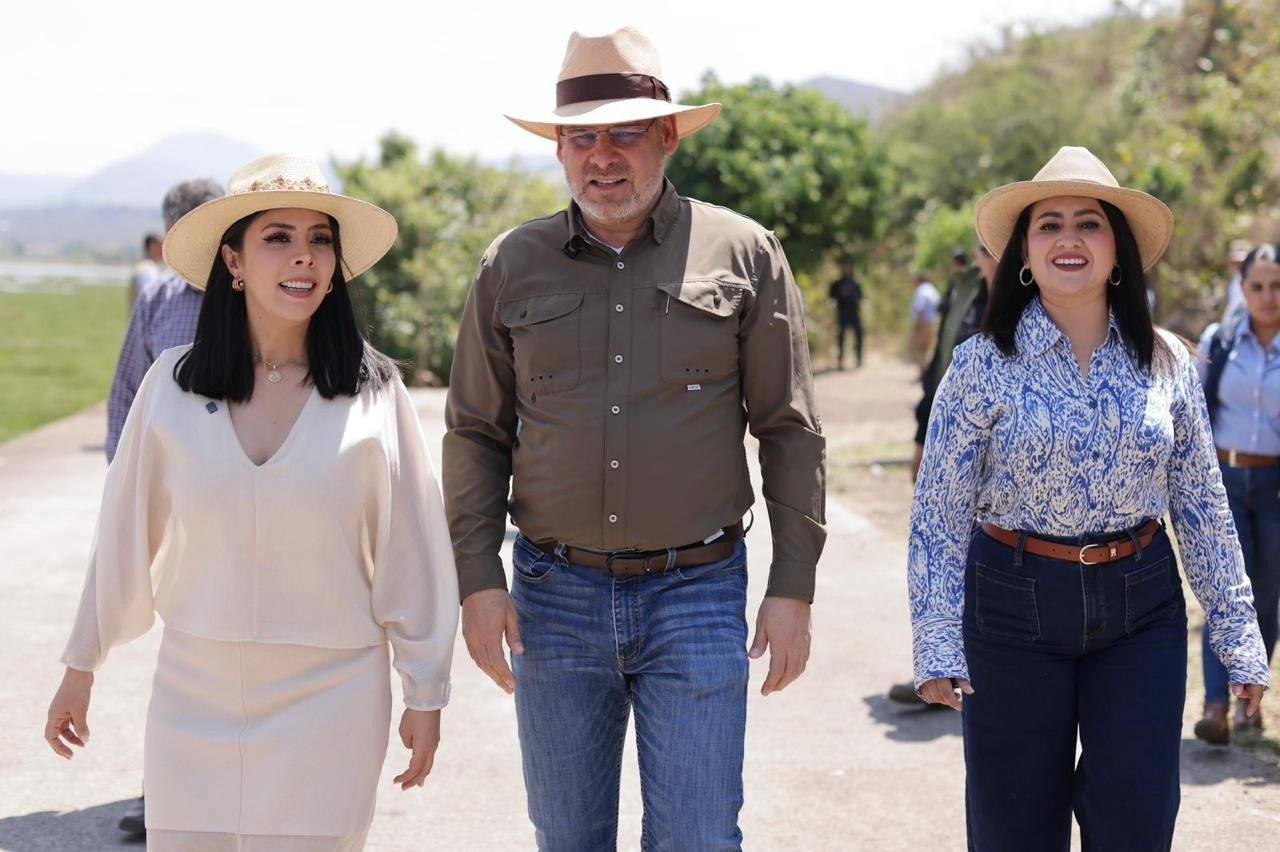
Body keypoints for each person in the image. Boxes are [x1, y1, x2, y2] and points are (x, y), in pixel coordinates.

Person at [443, 27, 825, 851]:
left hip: (698, 592)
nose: (602, 157)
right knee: (569, 837)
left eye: (624, 133)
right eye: (582, 137)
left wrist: (793, 584)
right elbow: (475, 433)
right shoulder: (511, 265)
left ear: (668, 135)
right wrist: (478, 577)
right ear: (559, 149)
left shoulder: (744, 253)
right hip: (553, 596)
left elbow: (790, 429)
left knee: (697, 838)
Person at [44, 153, 458, 851]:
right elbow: (122, 536)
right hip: (193, 695)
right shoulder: (171, 387)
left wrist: (426, 690)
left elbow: (412, 548)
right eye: (279, 237)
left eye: (319, 239)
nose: (304, 258)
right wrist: (80, 667)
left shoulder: (374, 391)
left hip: (335, 698)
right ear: (232, 260)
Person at [909, 146, 1269, 849]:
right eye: (1048, 225)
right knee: (1014, 828)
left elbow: (1201, 507)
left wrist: (1237, 636)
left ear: (1118, 251)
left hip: (1141, 610)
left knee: (1135, 824)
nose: (1068, 239)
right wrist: (935, 639)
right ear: (1024, 251)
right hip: (1009, 613)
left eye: (1089, 224)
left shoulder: (1169, 360)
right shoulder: (980, 365)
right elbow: (939, 515)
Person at [886, 239, 996, 707]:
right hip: (948, 437)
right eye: (981, 246)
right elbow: (940, 365)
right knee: (947, 552)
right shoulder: (966, 291)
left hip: (998, 459)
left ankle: (971, 669)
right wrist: (920, 434)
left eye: (995, 246)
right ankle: (942, 666)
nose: (984, 255)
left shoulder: (1037, 301)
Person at [1192, 242, 1280, 745]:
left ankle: (1250, 700)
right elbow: (1193, 411)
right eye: (1257, 286)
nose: (1267, 297)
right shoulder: (1219, 340)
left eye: (1276, 286)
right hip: (1223, 480)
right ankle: (1216, 707)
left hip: (1273, 487)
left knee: (1266, 595)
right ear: (1242, 289)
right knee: (1224, 593)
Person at [107, 179, 224, 463]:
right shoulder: (157, 298)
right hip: (168, 472)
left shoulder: (256, 294)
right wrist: (121, 470)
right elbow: (129, 390)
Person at [829, 260, 864, 368]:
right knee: (841, 336)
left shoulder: (855, 283)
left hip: (853, 312)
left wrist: (852, 297)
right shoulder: (837, 283)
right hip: (842, 312)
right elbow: (831, 296)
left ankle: (859, 358)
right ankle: (840, 361)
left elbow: (861, 297)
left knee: (859, 333)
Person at [908, 273, 941, 368]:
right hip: (933, 324)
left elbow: (920, 309)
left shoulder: (922, 291)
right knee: (926, 350)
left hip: (923, 324)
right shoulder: (932, 290)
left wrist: (917, 326)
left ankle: (926, 371)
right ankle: (924, 373)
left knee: (916, 350)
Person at [1220, 238, 1251, 325]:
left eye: (1241, 261)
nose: (1238, 264)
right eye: (1235, 262)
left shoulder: (1253, 279)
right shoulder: (1235, 279)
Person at [128, 233, 164, 308]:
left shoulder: (147, 266)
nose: (163, 249)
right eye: (161, 245)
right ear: (152, 247)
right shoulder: (147, 268)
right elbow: (151, 296)